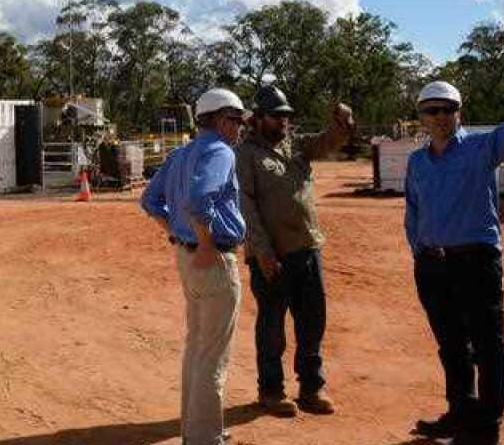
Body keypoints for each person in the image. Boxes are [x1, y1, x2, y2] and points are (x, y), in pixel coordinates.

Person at [406, 78, 504, 445]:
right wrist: (419, 250)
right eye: (432, 110)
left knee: (488, 346)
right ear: (422, 117)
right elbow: (413, 210)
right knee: (451, 344)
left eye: (448, 109)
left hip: (476, 262)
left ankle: (486, 425)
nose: (441, 116)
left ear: (459, 113)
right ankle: (460, 412)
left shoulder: (481, 148)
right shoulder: (417, 162)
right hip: (432, 266)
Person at [237, 86, 353, 418]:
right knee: (272, 325)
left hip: (307, 247)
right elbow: (246, 206)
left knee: (312, 321)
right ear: (259, 118)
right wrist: (262, 251)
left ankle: (311, 387)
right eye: (277, 116)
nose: (284, 121)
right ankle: (271, 390)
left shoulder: (295, 145)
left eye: (287, 116)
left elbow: (328, 142)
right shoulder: (245, 155)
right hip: (272, 255)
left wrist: (342, 123)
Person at [142, 87, 247, 445]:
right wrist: (204, 243)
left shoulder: (181, 153)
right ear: (221, 119)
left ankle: (198, 431)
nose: (241, 127)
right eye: (237, 119)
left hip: (187, 258)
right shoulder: (221, 151)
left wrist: (178, 234)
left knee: (197, 347)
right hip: (211, 257)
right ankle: (205, 439)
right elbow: (200, 199)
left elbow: (150, 201)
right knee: (212, 355)